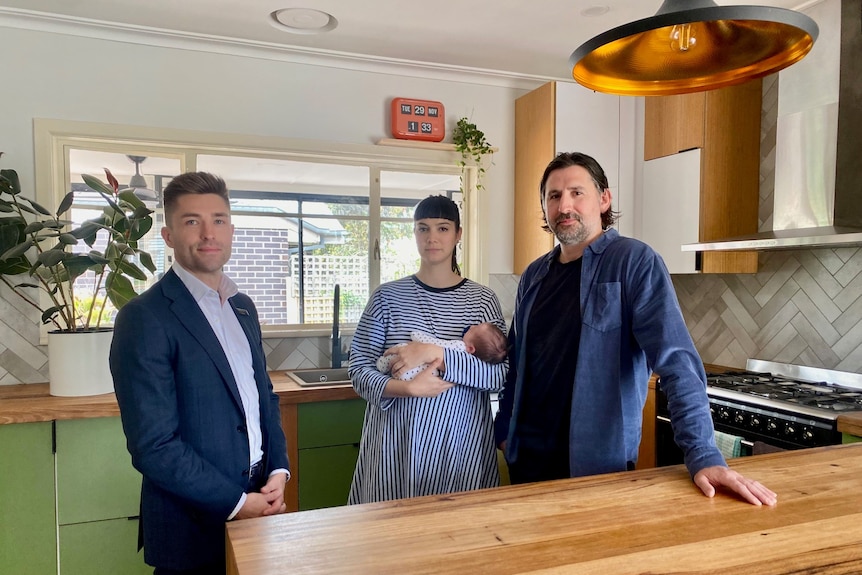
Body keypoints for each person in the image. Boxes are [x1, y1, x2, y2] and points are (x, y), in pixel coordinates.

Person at [494, 152, 776, 506]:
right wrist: (504, 429)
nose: (565, 205)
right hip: (527, 463)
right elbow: (518, 366)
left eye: (577, 192)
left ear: (604, 199)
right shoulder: (534, 276)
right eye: (554, 196)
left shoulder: (634, 261)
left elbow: (677, 362)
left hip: (595, 468)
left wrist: (704, 455)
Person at [110, 172, 290, 574]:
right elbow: (154, 446)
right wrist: (238, 503)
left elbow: (264, 396)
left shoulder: (242, 307)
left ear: (231, 228)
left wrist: (278, 467)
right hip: (190, 527)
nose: (209, 233)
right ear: (169, 235)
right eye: (192, 221)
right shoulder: (144, 317)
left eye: (219, 220)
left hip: (259, 505)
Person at [348, 194, 508, 504]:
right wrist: (404, 388)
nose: (432, 237)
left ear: (458, 234)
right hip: (396, 448)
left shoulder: (482, 300)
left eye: (443, 228)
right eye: (423, 228)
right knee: (392, 539)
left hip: (463, 449)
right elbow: (358, 370)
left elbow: (499, 375)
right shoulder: (386, 298)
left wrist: (437, 355)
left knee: (460, 540)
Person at [376, 321, 508, 380]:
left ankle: (383, 364)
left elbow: (434, 344)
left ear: (471, 349)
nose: (472, 325)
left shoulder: (459, 346)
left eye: (475, 328)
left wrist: (419, 339)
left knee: (400, 351)